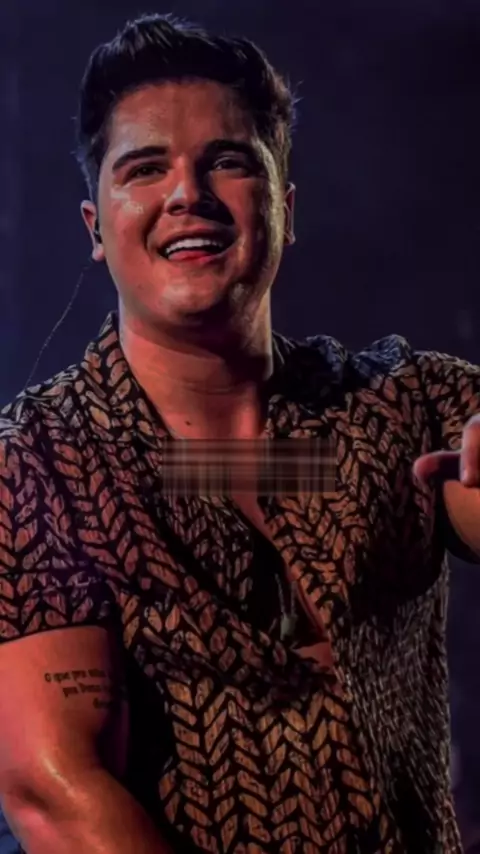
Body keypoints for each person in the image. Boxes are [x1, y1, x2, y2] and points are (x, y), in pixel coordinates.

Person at [0, 12, 478, 854]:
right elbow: (57, 790)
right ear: (95, 227)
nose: (188, 193)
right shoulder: (37, 464)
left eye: (228, 161)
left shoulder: (404, 404)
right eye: (146, 168)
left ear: (284, 210)